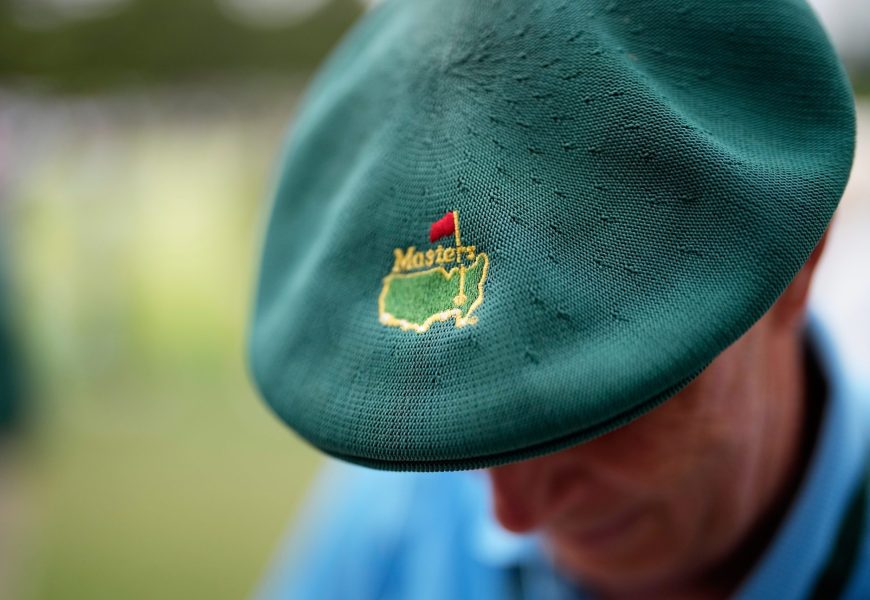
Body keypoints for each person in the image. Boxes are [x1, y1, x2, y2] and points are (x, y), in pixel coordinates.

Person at [247, 0, 865, 597]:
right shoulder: (399, 511)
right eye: (474, 418)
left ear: (800, 263)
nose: (512, 516)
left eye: (598, 410)